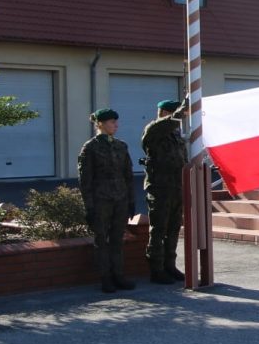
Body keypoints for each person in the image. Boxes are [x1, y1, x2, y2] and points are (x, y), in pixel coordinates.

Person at [78, 108, 136, 294]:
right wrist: (89, 207)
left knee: (118, 240)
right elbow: (85, 180)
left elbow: (128, 175)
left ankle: (119, 275)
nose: (116, 125)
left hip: (120, 198)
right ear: (100, 124)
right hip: (101, 199)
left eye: (116, 122)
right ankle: (106, 279)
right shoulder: (90, 147)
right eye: (112, 122)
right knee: (102, 240)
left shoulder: (121, 146)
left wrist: (131, 201)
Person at [140, 97, 188, 285]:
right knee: (159, 230)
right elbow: (168, 124)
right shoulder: (153, 129)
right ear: (166, 113)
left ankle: (170, 265)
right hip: (160, 189)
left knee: (173, 229)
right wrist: (182, 110)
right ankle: (156, 269)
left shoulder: (175, 135)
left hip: (176, 188)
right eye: (174, 115)